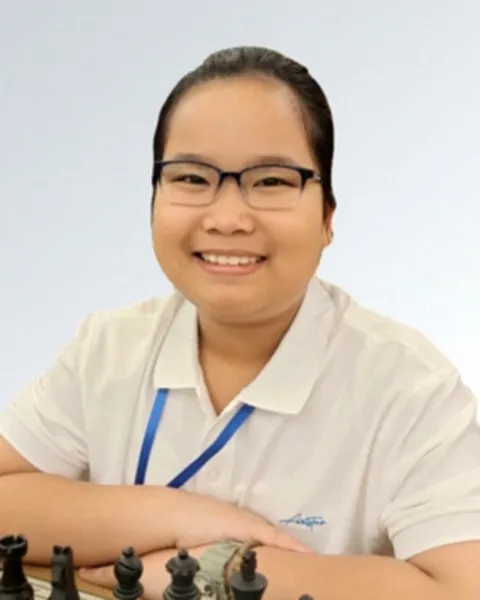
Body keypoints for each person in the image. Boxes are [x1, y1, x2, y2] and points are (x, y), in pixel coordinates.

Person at [0, 45, 479, 600]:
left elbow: (464, 587)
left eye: (271, 181)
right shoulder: (107, 348)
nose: (227, 218)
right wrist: (178, 517)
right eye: (191, 178)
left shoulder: (411, 389)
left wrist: (211, 567)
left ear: (328, 216)